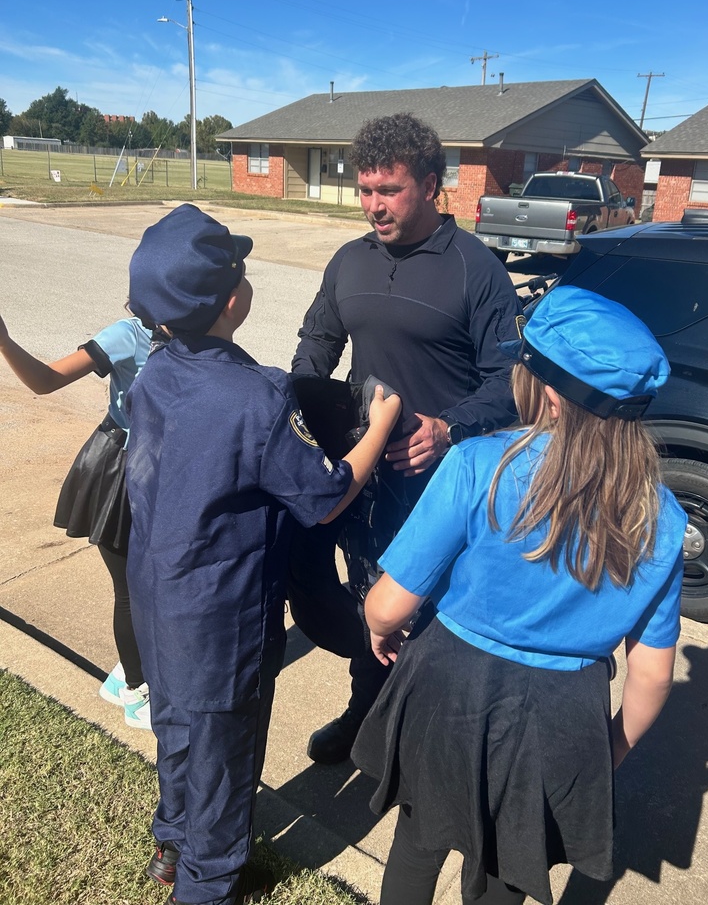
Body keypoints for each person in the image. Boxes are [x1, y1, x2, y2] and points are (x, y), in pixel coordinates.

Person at [350, 285, 688, 905]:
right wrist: (609, 750)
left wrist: (378, 625)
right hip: (565, 713)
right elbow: (652, 674)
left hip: (448, 686)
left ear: (550, 395)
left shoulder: (480, 464)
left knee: (418, 841)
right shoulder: (660, 517)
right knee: (510, 868)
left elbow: (388, 605)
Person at [123, 203, 401, 905]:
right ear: (230, 301)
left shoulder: (154, 372)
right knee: (224, 752)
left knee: (177, 729)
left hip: (157, 596)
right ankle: (207, 885)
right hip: (223, 620)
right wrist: (382, 423)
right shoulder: (258, 396)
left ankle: (172, 842)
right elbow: (325, 495)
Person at [291, 111, 523, 764]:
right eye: (365, 190)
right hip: (361, 472)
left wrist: (449, 429)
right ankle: (366, 713)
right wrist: (302, 414)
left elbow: (512, 380)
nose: (374, 206)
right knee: (367, 602)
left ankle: (427, 739)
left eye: (388, 191)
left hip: (440, 482)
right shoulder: (350, 260)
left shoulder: (476, 269)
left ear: (429, 185)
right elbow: (316, 345)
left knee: (432, 614)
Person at [0, 308, 153, 730]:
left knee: (148, 586)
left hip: (153, 470)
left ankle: (124, 672)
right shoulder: (128, 335)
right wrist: (5, 342)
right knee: (132, 589)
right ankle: (137, 691)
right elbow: (46, 380)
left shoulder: (189, 332)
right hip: (118, 471)